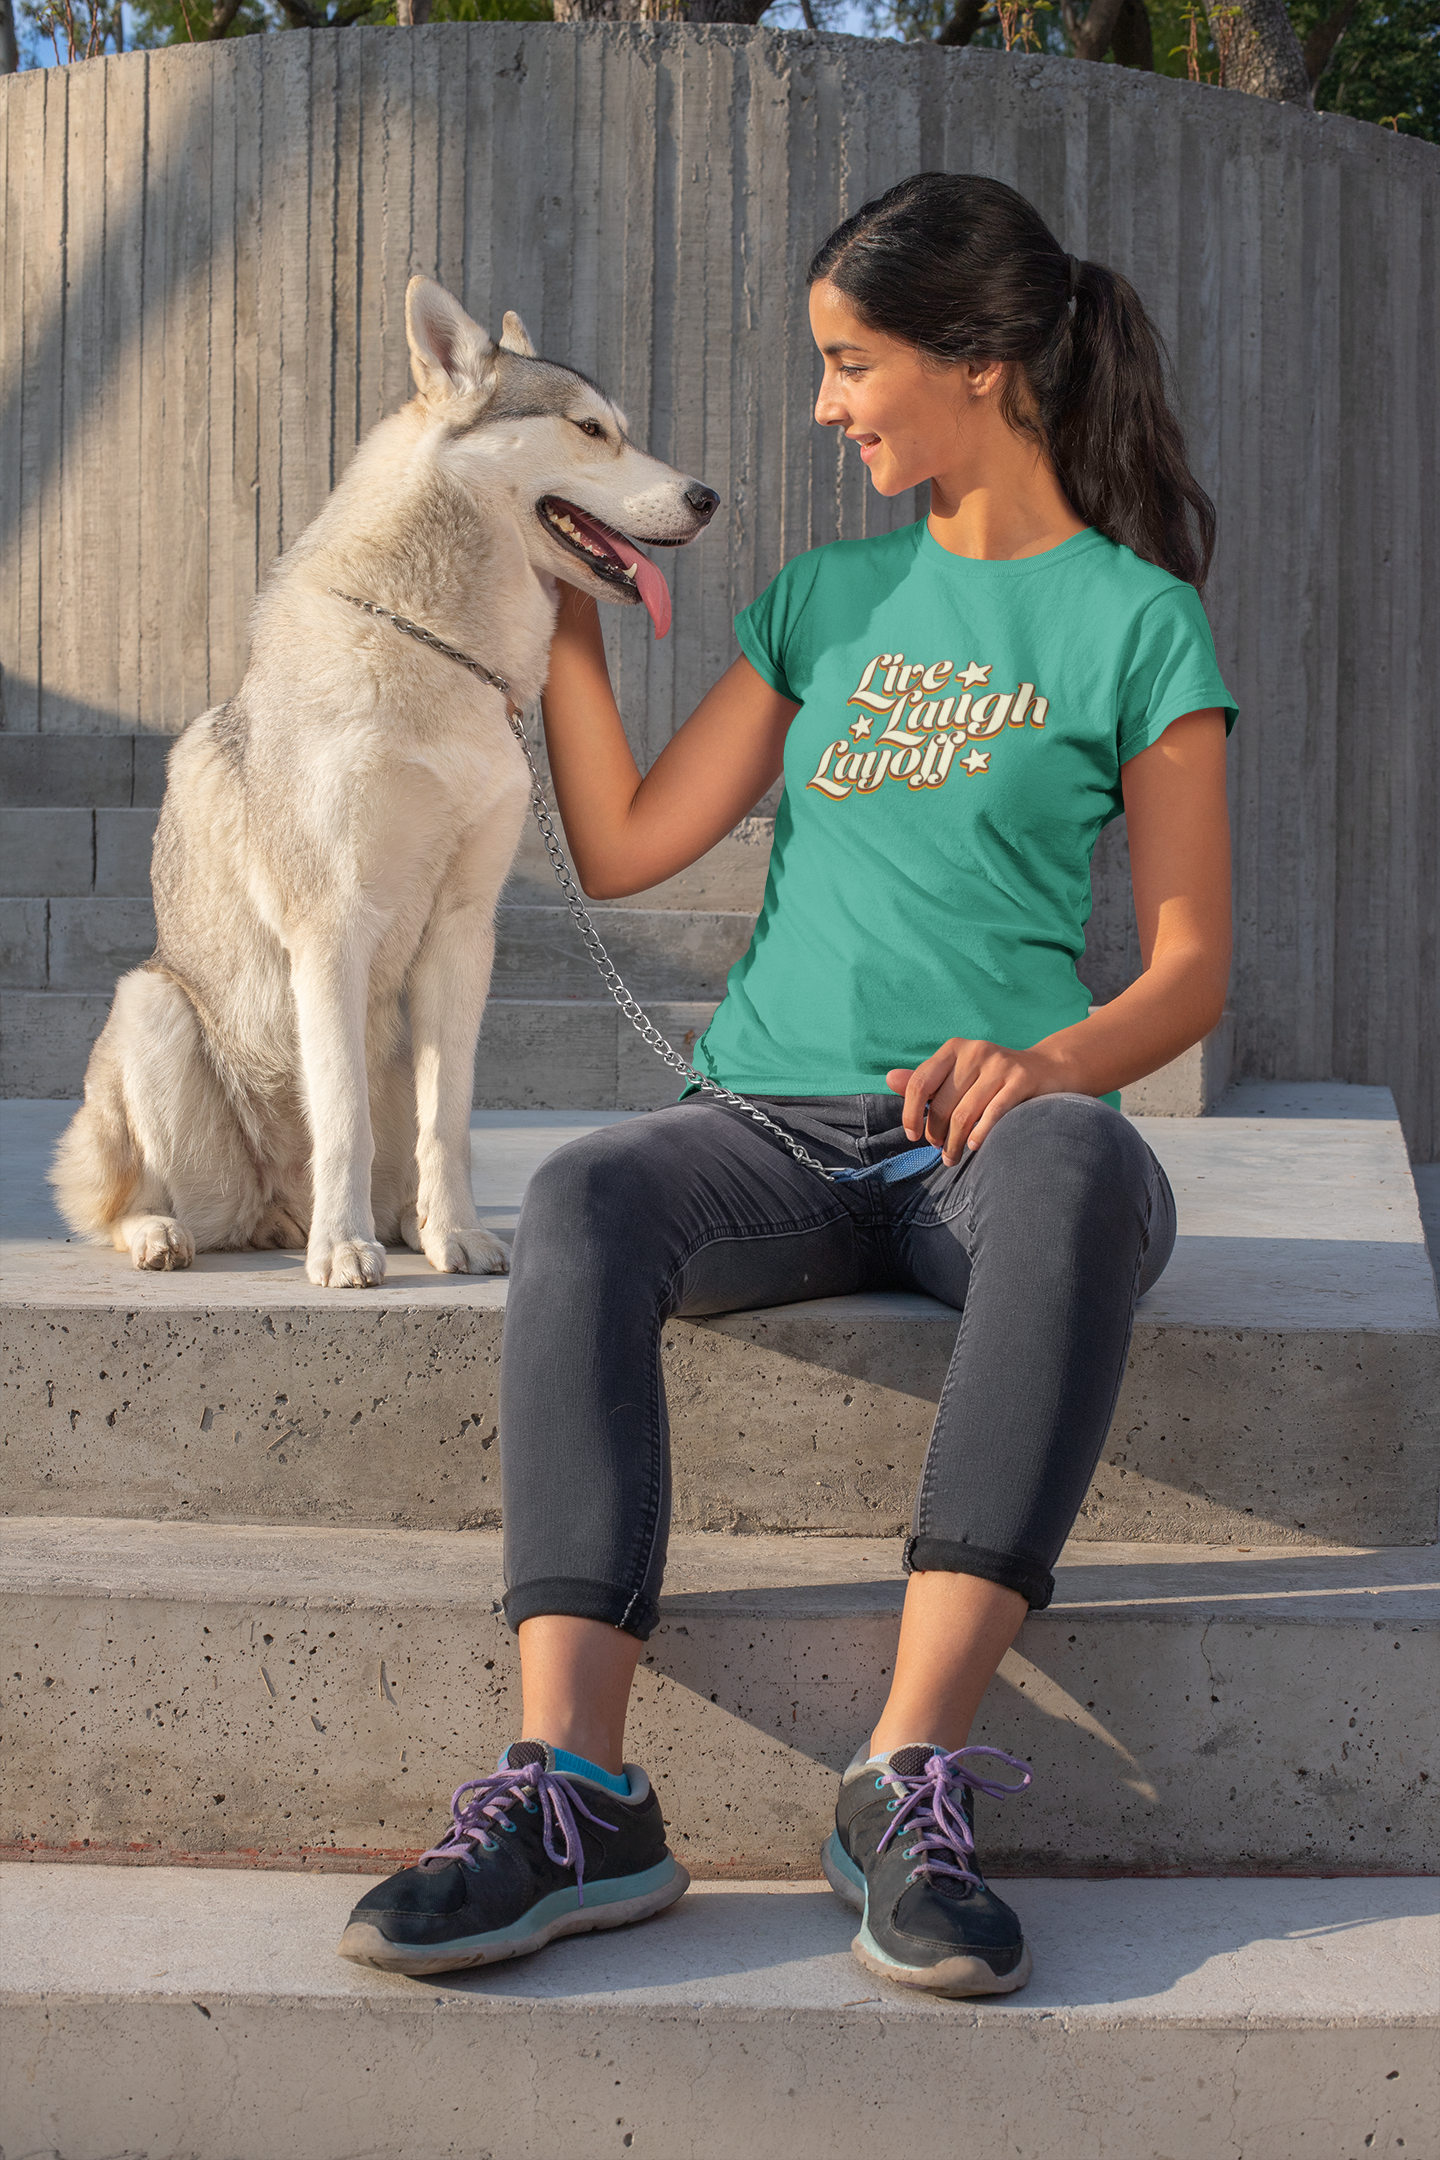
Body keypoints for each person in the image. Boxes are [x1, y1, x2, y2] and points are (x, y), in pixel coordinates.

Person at [338, 171, 1237, 1997]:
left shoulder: (1136, 624)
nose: (824, 406)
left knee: (1077, 1173)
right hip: (766, 1130)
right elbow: (623, 842)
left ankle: (903, 1782)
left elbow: (1192, 964)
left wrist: (1049, 1065)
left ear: (979, 364)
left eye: (850, 363)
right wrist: (565, 586)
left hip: (997, 1139)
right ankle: (577, 1791)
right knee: (588, 1192)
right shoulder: (825, 603)